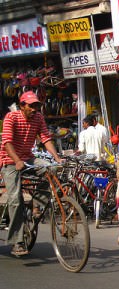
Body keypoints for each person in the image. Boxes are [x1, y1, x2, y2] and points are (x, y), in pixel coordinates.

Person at [0, 91, 63, 257]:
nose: (35, 109)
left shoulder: (38, 118)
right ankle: (17, 241)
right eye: (31, 106)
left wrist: (57, 158)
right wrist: (16, 160)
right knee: (15, 200)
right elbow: (7, 142)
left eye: (37, 106)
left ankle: (37, 206)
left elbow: (45, 139)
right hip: (10, 160)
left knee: (51, 168)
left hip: (29, 158)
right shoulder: (11, 117)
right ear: (22, 105)